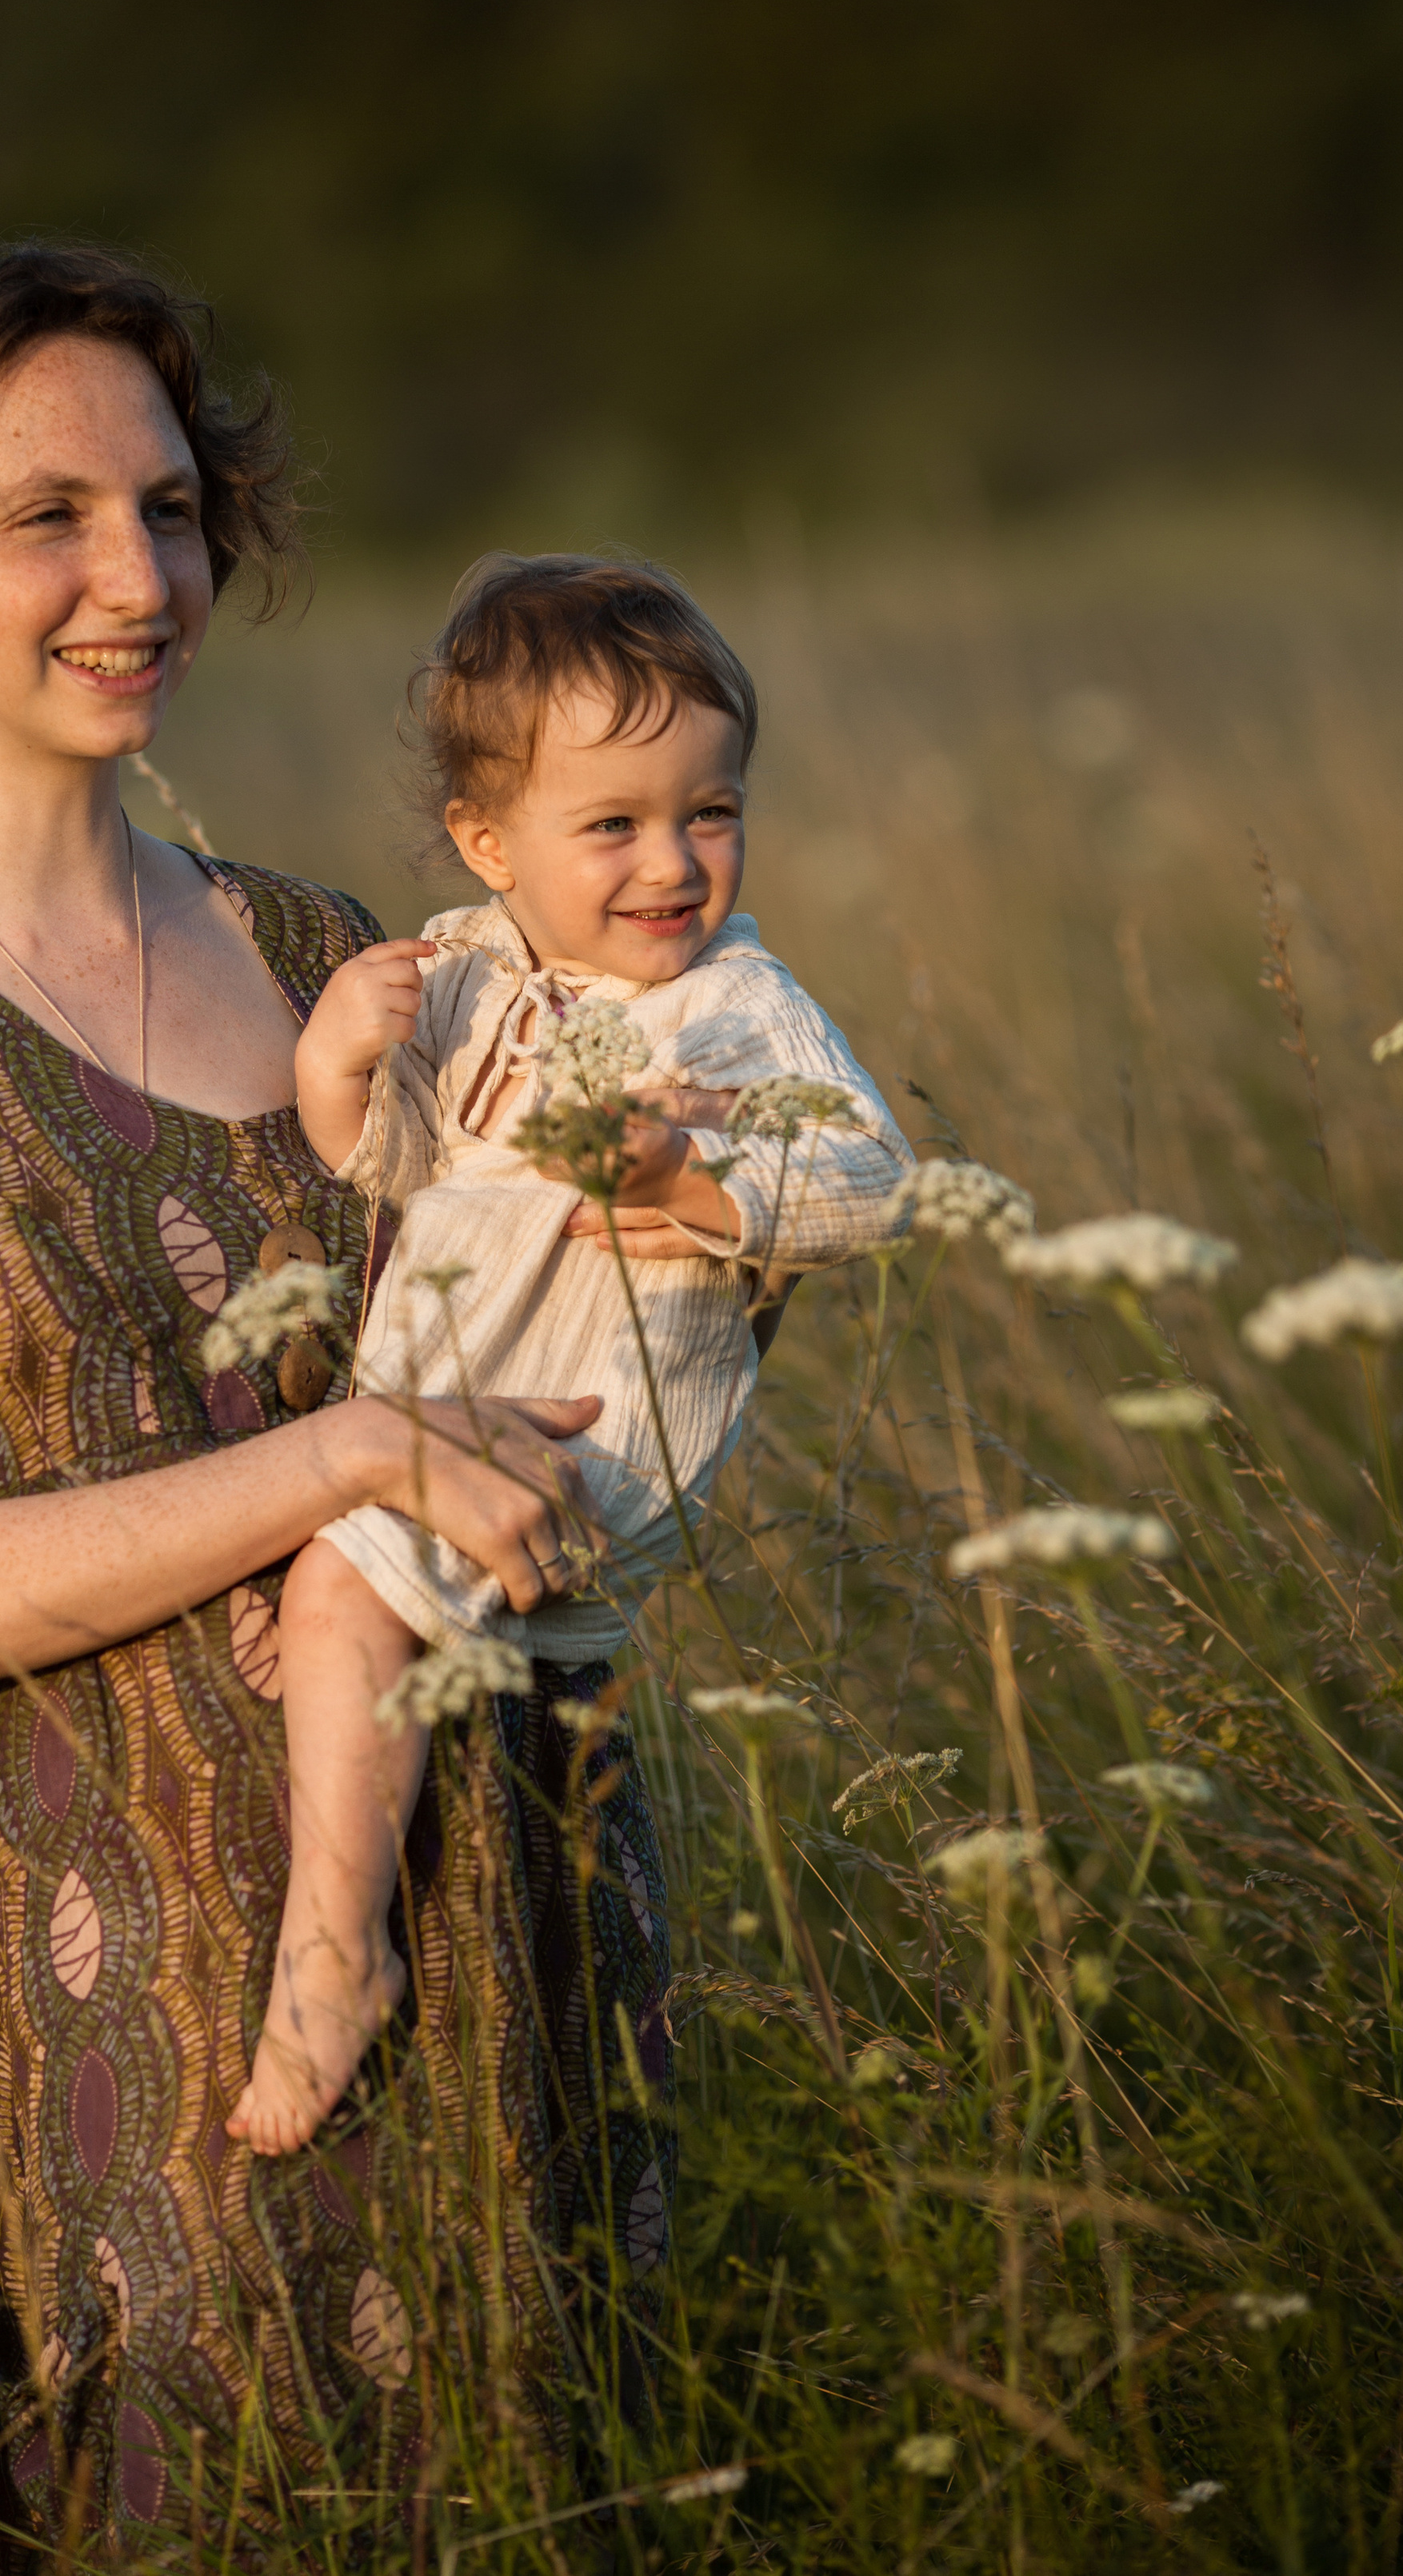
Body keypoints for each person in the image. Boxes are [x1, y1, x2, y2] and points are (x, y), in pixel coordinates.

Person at [0, 244, 673, 2566]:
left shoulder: (346, 959)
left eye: (173, 509)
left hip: (502, 1885)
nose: (139, 579)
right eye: (50, 519)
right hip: (139, 2018)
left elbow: (570, 1372)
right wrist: (345, 1453)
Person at [227, 555, 915, 2154]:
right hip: (453, 1421)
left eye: (711, 812)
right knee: (339, 1617)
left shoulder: (738, 1008)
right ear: (490, 844)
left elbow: (873, 1181)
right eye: (612, 824)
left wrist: (688, 1178)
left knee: (330, 1598)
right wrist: (337, 1068)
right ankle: (387, 1664)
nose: (672, 863)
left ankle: (334, 1964)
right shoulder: (470, 972)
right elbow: (401, 1166)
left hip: (591, 1441)